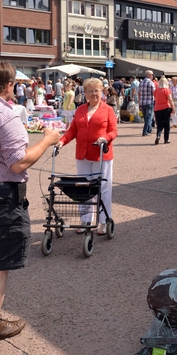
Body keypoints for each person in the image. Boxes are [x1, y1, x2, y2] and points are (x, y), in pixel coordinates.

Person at [0, 61, 60, 339]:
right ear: (10, 85)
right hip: (4, 196)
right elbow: (19, 163)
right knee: (2, 262)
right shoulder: (6, 115)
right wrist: (47, 139)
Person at [57, 78, 118, 236]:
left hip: (101, 154)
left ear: (102, 92)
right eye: (90, 91)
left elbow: (113, 131)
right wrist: (62, 142)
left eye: (96, 90)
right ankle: (85, 221)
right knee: (83, 188)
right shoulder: (80, 110)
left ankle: (104, 222)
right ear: (85, 93)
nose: (93, 94)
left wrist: (105, 138)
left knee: (103, 188)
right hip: (82, 154)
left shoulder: (107, 110)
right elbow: (72, 131)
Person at [154, 77, 175, 144]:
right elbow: (170, 100)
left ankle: (158, 135)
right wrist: (173, 108)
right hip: (166, 107)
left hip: (157, 108)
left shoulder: (156, 90)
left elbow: (155, 98)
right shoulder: (167, 90)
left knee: (159, 124)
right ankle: (166, 139)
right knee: (167, 124)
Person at [138, 70, 155, 136]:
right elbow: (154, 92)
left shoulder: (141, 82)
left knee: (146, 117)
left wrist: (139, 102)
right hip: (149, 101)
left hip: (142, 102)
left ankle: (149, 129)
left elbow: (139, 93)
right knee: (149, 117)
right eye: (152, 75)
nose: (153, 76)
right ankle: (145, 131)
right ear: (150, 75)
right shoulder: (151, 83)